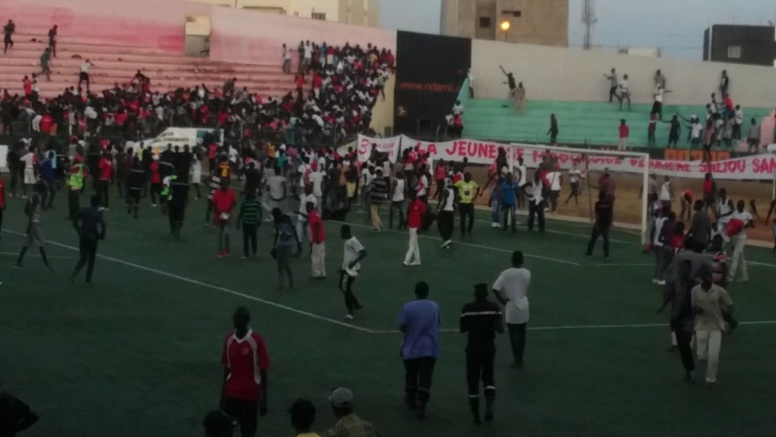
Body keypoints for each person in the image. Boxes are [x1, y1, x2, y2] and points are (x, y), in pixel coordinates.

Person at [221, 307, 270, 437]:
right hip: (231, 394)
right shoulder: (229, 340)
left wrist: (264, 399)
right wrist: (223, 394)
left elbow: (263, 370)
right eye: (234, 317)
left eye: (237, 318)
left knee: (248, 432)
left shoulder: (256, 341)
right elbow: (227, 368)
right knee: (225, 431)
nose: (234, 320)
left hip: (250, 397)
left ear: (245, 321)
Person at [460, 283, 503, 425]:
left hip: (473, 347)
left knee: (473, 379)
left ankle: (475, 415)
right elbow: (500, 329)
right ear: (486, 294)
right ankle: (489, 405)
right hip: (488, 346)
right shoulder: (494, 308)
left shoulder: (467, 309)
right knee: (488, 377)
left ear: (475, 294)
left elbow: (462, 329)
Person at [399, 281, 442, 419]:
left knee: (411, 375)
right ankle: (422, 404)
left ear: (415, 292)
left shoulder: (408, 307)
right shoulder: (434, 306)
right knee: (426, 377)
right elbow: (439, 322)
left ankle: (411, 400)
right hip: (430, 348)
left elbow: (402, 326)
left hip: (411, 348)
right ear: (427, 293)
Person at [691, 268, 734, 388]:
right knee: (701, 356)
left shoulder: (719, 290)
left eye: (709, 277)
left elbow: (730, 304)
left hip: (716, 326)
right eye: (705, 278)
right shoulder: (694, 291)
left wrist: (728, 319)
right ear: (701, 279)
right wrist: (696, 310)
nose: (708, 280)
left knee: (714, 357)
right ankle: (711, 360)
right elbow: (692, 306)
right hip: (701, 325)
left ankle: (711, 379)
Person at [492, 251, 531, 368]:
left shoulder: (506, 273)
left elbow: (495, 288)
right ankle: (521, 357)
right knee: (522, 332)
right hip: (524, 304)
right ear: (522, 260)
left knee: (513, 334)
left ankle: (517, 359)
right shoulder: (527, 273)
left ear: (512, 260)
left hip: (512, 305)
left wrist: (502, 300)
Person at [15, 182, 52, 271]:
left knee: (28, 242)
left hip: (33, 221)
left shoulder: (33, 196)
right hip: (34, 222)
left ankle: (18, 262)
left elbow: (26, 210)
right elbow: (31, 210)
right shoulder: (36, 197)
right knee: (40, 242)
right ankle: (47, 265)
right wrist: (31, 222)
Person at [70, 195, 107, 285]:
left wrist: (78, 230)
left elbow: (75, 219)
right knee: (91, 258)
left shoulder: (84, 210)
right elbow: (103, 224)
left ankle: (75, 272)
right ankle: (88, 278)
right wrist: (102, 234)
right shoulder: (98, 213)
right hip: (93, 237)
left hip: (83, 235)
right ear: (98, 203)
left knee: (83, 257)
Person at [340, 225, 367, 320]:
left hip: (351, 269)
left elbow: (364, 252)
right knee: (343, 287)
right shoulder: (348, 240)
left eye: (341, 232)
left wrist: (353, 263)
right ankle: (356, 303)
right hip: (347, 268)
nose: (341, 235)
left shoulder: (353, 241)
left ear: (345, 232)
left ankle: (350, 311)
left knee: (345, 289)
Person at [272, 207, 300, 289]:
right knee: (279, 263)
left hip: (289, 243)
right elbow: (277, 232)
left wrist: (298, 242)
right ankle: (280, 282)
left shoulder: (288, 219)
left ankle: (290, 277)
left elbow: (294, 230)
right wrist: (274, 244)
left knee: (285, 262)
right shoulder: (276, 220)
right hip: (281, 243)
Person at [727, 200, 753, 283]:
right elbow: (730, 225)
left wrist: (744, 226)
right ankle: (744, 276)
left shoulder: (747, 214)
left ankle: (730, 276)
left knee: (735, 256)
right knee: (741, 258)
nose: (739, 206)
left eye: (740, 205)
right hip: (735, 237)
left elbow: (752, 224)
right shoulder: (734, 213)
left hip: (742, 237)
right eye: (738, 205)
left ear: (743, 206)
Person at [585, 192, 613, 260]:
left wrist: (596, 224)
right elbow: (611, 214)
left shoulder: (598, 204)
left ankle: (589, 252)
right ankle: (606, 255)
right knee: (606, 240)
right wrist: (610, 222)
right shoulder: (609, 204)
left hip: (599, 223)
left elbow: (597, 214)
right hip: (606, 224)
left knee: (593, 239)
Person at [213, 179, 237, 258]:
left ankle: (227, 249)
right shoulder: (217, 193)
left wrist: (227, 210)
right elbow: (214, 204)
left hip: (227, 216)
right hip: (219, 216)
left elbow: (234, 203)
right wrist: (219, 212)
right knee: (219, 235)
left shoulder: (230, 192)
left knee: (226, 233)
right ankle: (220, 251)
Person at [236, 192, 261, 259]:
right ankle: (254, 252)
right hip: (253, 223)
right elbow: (260, 212)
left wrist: (238, 222)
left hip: (246, 223)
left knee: (246, 239)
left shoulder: (244, 204)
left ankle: (246, 254)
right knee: (254, 238)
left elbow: (241, 213)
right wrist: (259, 220)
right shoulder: (256, 203)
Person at [403, 194, 426, 267]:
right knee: (415, 244)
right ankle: (417, 260)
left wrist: (420, 227)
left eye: (409, 198)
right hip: (411, 226)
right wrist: (407, 224)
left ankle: (406, 260)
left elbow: (423, 216)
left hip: (416, 226)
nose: (408, 200)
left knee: (411, 244)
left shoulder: (420, 204)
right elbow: (409, 214)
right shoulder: (410, 204)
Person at [455, 172, 479, 237]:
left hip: (470, 203)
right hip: (462, 203)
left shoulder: (472, 183)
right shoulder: (460, 182)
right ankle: (463, 231)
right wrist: (458, 195)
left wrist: (475, 196)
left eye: (470, 177)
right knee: (462, 218)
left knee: (471, 217)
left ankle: (469, 229)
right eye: (468, 176)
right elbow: (454, 187)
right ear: (465, 177)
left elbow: (478, 188)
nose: (469, 178)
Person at [308, 202, 326, 279]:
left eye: (307, 207)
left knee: (315, 257)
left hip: (317, 239)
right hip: (321, 238)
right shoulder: (315, 213)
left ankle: (317, 274)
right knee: (321, 256)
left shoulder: (312, 214)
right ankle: (323, 273)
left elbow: (318, 224)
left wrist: (317, 237)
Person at [437, 178, 455, 248]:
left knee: (440, 225)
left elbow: (444, 202)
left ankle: (446, 239)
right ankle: (448, 240)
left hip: (445, 210)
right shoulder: (452, 190)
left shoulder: (445, 191)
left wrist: (439, 210)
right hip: (451, 210)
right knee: (449, 226)